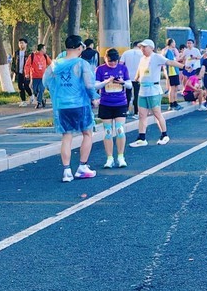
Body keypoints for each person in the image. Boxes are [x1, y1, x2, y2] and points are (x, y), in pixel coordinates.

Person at [44, 34, 99, 182]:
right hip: (80, 104)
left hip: (62, 105)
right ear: (80, 47)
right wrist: (94, 98)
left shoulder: (55, 64)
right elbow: (89, 85)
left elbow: (46, 81)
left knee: (66, 137)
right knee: (87, 133)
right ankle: (82, 167)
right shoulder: (81, 64)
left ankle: (67, 171)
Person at [128, 39, 184, 147]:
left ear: (151, 48)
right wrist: (136, 77)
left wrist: (184, 67)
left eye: (144, 47)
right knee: (142, 115)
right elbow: (140, 70)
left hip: (153, 90)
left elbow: (170, 62)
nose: (142, 49)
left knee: (157, 113)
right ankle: (142, 138)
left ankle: (164, 135)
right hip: (143, 90)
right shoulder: (142, 58)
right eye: (141, 47)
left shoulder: (157, 57)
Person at [95, 48, 130, 168]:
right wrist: (106, 82)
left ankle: (121, 156)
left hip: (120, 103)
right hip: (106, 104)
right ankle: (109, 158)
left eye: (115, 61)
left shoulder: (123, 68)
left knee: (120, 130)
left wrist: (122, 82)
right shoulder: (100, 69)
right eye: (110, 61)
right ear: (105, 59)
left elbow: (130, 85)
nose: (113, 64)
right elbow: (95, 85)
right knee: (108, 132)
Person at [25, 43, 52, 108]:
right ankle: (42, 99)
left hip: (43, 77)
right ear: (42, 49)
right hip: (35, 77)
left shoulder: (45, 56)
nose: (45, 50)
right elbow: (27, 65)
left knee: (41, 89)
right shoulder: (32, 56)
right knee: (35, 90)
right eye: (45, 48)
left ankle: (38, 102)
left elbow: (51, 64)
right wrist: (27, 73)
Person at [121, 40, 143, 118]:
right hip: (138, 77)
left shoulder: (126, 53)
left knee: (127, 94)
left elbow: (121, 64)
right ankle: (136, 111)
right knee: (137, 94)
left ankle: (126, 110)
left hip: (127, 77)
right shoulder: (142, 53)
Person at [13, 38, 32, 106]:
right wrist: (14, 70)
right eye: (20, 43)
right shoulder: (16, 53)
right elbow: (13, 62)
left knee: (26, 85)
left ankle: (31, 95)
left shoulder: (29, 53)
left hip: (27, 73)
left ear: (26, 44)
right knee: (20, 87)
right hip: (19, 72)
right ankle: (23, 101)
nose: (21, 45)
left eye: (22, 43)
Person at [164, 39, 181, 109]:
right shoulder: (168, 52)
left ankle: (175, 102)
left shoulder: (172, 51)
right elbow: (170, 62)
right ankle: (171, 103)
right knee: (172, 88)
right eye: (174, 42)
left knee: (176, 88)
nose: (175, 44)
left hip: (175, 71)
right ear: (171, 43)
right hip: (172, 72)